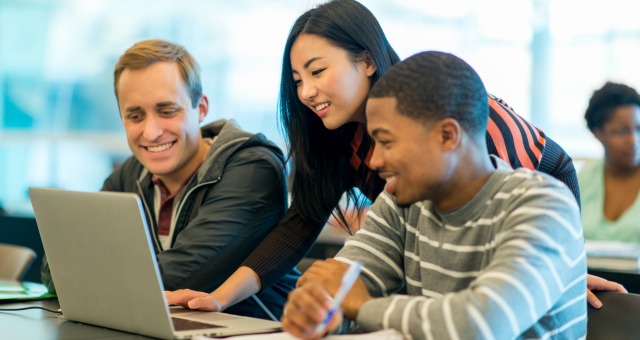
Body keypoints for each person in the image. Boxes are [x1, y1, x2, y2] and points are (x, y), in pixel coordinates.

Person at [166, 0, 624, 312]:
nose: (305, 92)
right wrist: (220, 298)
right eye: (297, 79)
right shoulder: (339, 135)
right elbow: (301, 225)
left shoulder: (443, 114)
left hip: (520, 224)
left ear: (366, 61)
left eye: (318, 71)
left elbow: (543, 179)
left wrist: (556, 263)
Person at [282, 50, 587, 339]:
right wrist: (322, 311)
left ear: (446, 137)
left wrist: (362, 307)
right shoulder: (402, 201)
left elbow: (481, 325)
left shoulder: (543, 205)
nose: (374, 161)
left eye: (386, 142)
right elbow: (340, 284)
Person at [40, 39, 298, 320]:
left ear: (201, 108)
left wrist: (92, 276)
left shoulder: (252, 168)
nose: (151, 133)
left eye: (167, 111)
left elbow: (183, 275)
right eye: (135, 115)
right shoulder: (131, 174)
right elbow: (56, 266)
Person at [579, 82, 640, 243]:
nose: (633, 140)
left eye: (639, 129)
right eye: (621, 131)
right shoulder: (583, 179)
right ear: (599, 133)